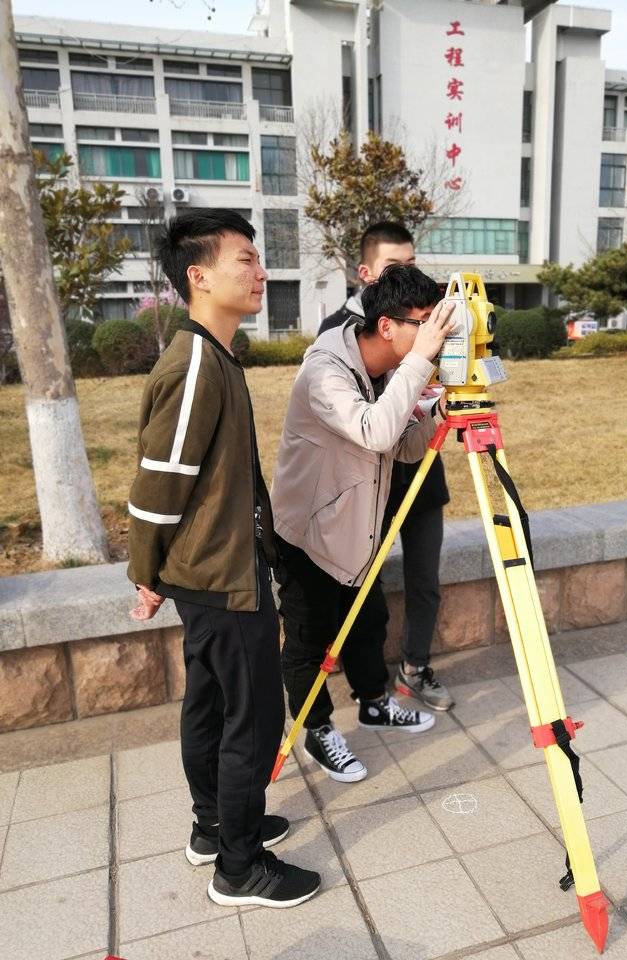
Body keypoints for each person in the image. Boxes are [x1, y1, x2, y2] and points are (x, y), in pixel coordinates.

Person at [126, 209, 320, 909]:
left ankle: (214, 828)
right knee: (252, 720)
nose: (260, 271)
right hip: (220, 577)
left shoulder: (214, 356)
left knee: (210, 706)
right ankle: (240, 868)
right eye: (246, 259)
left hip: (216, 570)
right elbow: (159, 483)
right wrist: (145, 574)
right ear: (199, 276)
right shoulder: (195, 365)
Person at [272, 264, 455, 783]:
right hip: (308, 532)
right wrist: (419, 364)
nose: (434, 332)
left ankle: (374, 703)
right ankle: (317, 730)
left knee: (368, 621)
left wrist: (442, 411)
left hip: (357, 528)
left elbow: (403, 448)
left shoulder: (390, 370)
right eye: (423, 321)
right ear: (387, 326)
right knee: (309, 639)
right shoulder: (325, 371)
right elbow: (374, 431)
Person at [319, 222, 454, 712]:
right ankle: (369, 683)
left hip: (420, 474)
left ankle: (416, 668)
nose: (407, 273)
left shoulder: (428, 320)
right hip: (365, 482)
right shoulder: (336, 334)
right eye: (395, 266)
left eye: (412, 263)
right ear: (366, 272)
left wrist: (441, 398)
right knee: (362, 588)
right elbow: (361, 423)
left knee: (424, 580)